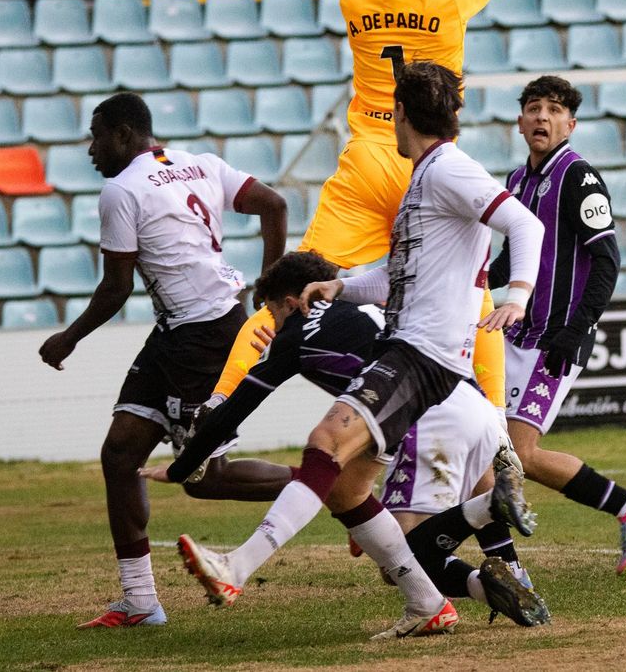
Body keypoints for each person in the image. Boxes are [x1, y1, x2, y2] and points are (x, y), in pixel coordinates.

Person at [166, 62, 547, 640]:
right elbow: (398, 275)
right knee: (346, 487)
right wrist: (340, 286)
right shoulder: (427, 177)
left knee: (325, 442)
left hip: (424, 352)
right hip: (418, 351)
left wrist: (517, 295)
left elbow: (525, 225)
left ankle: (235, 568)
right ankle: (428, 602)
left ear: (400, 113)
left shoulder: (449, 169)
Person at [207, 0, 520, 412]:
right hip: (427, 164)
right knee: (473, 292)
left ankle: (218, 404)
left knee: (295, 285)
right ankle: (496, 425)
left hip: (365, 161)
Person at [144, 250, 548, 628]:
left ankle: (236, 567)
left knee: (400, 538)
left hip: (426, 414)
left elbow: (232, 411)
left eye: (271, 312)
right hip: (465, 400)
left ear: (291, 302)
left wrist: (182, 468)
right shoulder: (365, 306)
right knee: (346, 493)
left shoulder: (297, 331)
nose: (272, 324)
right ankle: (437, 601)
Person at [37, 92, 288, 629]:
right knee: (121, 452)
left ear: (123, 134)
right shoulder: (201, 163)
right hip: (182, 330)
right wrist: (269, 288)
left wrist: (69, 337)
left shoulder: (121, 190)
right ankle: (140, 601)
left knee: (204, 476)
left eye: (96, 136)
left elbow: (115, 287)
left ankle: (326, 484)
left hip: (203, 337)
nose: (91, 150)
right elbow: (275, 205)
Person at [416, 75, 626, 575]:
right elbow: (510, 261)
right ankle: (505, 564)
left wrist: (577, 329)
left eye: (554, 110)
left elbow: (607, 261)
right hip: (515, 335)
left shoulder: (579, 177)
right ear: (519, 120)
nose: (542, 117)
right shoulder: (517, 180)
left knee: (521, 454)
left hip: (556, 338)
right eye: (534, 108)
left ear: (570, 124)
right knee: (484, 449)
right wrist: (466, 282)